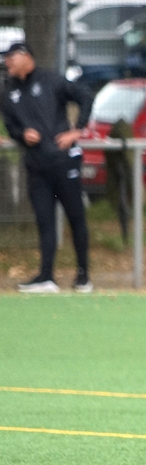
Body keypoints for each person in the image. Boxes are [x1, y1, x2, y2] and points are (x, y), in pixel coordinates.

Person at [1, 42, 94, 294]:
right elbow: (11, 126)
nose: (7, 63)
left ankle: (83, 276)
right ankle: (46, 276)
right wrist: (22, 134)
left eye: (10, 57)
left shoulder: (51, 80)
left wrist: (77, 130)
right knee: (44, 221)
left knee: (76, 218)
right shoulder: (9, 93)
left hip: (64, 163)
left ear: (25, 56)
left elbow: (85, 96)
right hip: (37, 167)